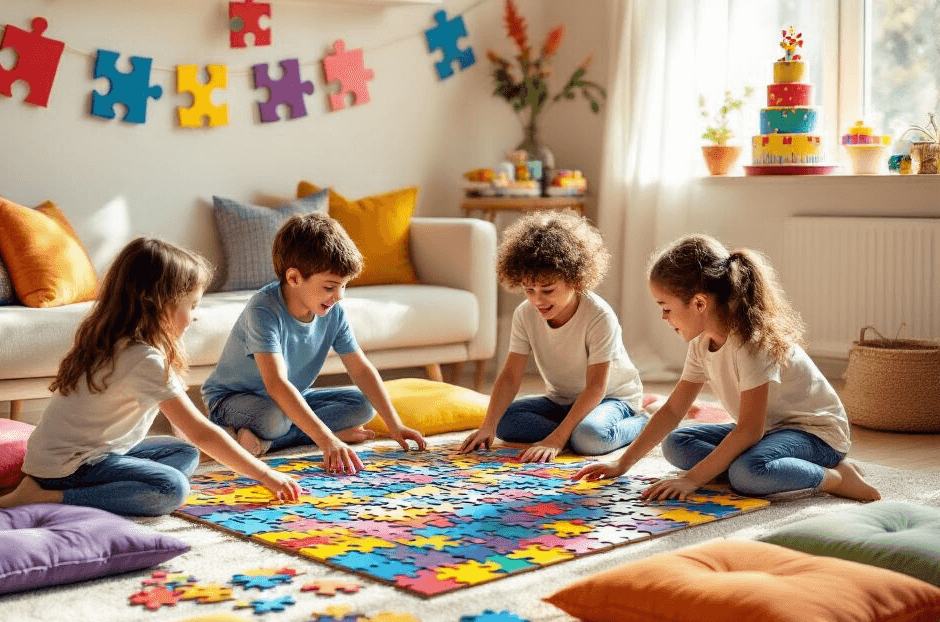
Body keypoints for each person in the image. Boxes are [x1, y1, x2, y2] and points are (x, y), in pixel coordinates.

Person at [0, 238, 301, 515]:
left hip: (62, 461)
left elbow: (191, 440)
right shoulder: (143, 359)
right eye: (191, 305)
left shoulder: (113, 340)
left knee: (181, 453)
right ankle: (51, 498)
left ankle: (80, 490)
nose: (195, 316)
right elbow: (201, 431)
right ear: (161, 306)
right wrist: (264, 474)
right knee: (172, 489)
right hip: (69, 469)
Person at [572, 234, 880, 502]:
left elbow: (749, 429)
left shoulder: (750, 344)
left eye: (666, 308)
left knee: (748, 473)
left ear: (699, 303)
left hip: (815, 435)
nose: (664, 318)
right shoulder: (701, 343)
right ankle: (749, 469)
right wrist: (622, 463)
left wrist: (692, 480)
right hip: (769, 433)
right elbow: (672, 411)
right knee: (677, 444)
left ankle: (836, 478)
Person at [202, 212, 426, 474]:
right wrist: (328, 440)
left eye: (343, 286)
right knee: (274, 418)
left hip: (292, 398)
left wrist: (394, 424)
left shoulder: (333, 311)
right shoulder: (263, 309)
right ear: (294, 278)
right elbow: (276, 384)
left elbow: (361, 369)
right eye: (330, 287)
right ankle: (244, 435)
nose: (339, 296)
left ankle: (261, 442)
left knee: (363, 405)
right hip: (234, 401)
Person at [460, 210, 646, 463]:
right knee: (504, 423)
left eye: (548, 290)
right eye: (529, 290)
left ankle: (642, 421)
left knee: (590, 438)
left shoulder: (599, 316)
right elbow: (511, 376)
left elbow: (595, 388)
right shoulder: (525, 314)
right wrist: (488, 426)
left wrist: (557, 439)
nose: (538, 300)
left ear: (576, 280)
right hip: (561, 402)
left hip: (611, 399)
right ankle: (573, 429)